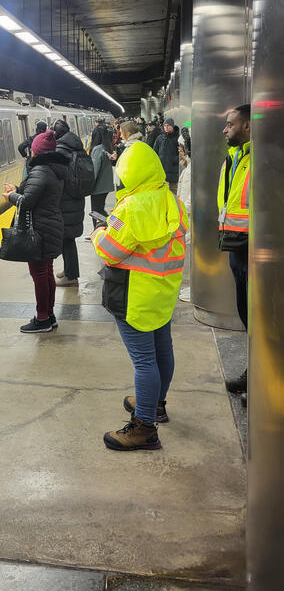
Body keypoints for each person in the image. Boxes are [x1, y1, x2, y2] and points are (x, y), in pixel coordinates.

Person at [91, 140, 187, 450]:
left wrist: (97, 232)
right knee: (162, 351)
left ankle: (144, 426)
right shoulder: (173, 202)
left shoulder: (127, 208)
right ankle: (156, 405)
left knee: (144, 362)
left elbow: (110, 252)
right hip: (164, 291)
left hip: (134, 295)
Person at [3, 129, 68, 332]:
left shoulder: (40, 170)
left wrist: (11, 196)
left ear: (36, 150)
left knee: (39, 273)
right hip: (50, 225)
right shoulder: (53, 169)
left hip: (40, 229)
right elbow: (38, 193)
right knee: (46, 272)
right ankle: (49, 315)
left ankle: (42, 319)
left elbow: (27, 202)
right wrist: (18, 188)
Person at [218, 105, 251, 399]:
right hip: (236, 245)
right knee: (246, 313)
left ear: (248, 126)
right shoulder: (234, 158)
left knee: (261, 316)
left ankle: (261, 379)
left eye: (230, 124)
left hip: (258, 248)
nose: (225, 130)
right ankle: (254, 371)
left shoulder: (261, 158)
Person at [52, 119, 86, 287]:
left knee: (67, 239)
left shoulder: (61, 150)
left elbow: (59, 175)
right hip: (75, 198)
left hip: (66, 201)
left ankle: (71, 276)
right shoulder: (76, 146)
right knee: (68, 238)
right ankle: (69, 270)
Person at [89, 121, 114, 230]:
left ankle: (103, 229)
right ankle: (111, 226)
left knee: (95, 210)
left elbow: (94, 170)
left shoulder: (97, 149)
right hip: (105, 185)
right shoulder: (106, 146)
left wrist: (88, 186)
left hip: (98, 187)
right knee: (100, 209)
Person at [153, 117, 180, 194]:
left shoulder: (177, 138)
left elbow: (181, 153)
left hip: (173, 169)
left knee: (173, 191)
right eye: (165, 125)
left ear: (172, 126)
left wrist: (174, 160)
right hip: (162, 168)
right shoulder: (160, 138)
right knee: (162, 191)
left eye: (168, 125)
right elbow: (155, 151)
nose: (166, 127)